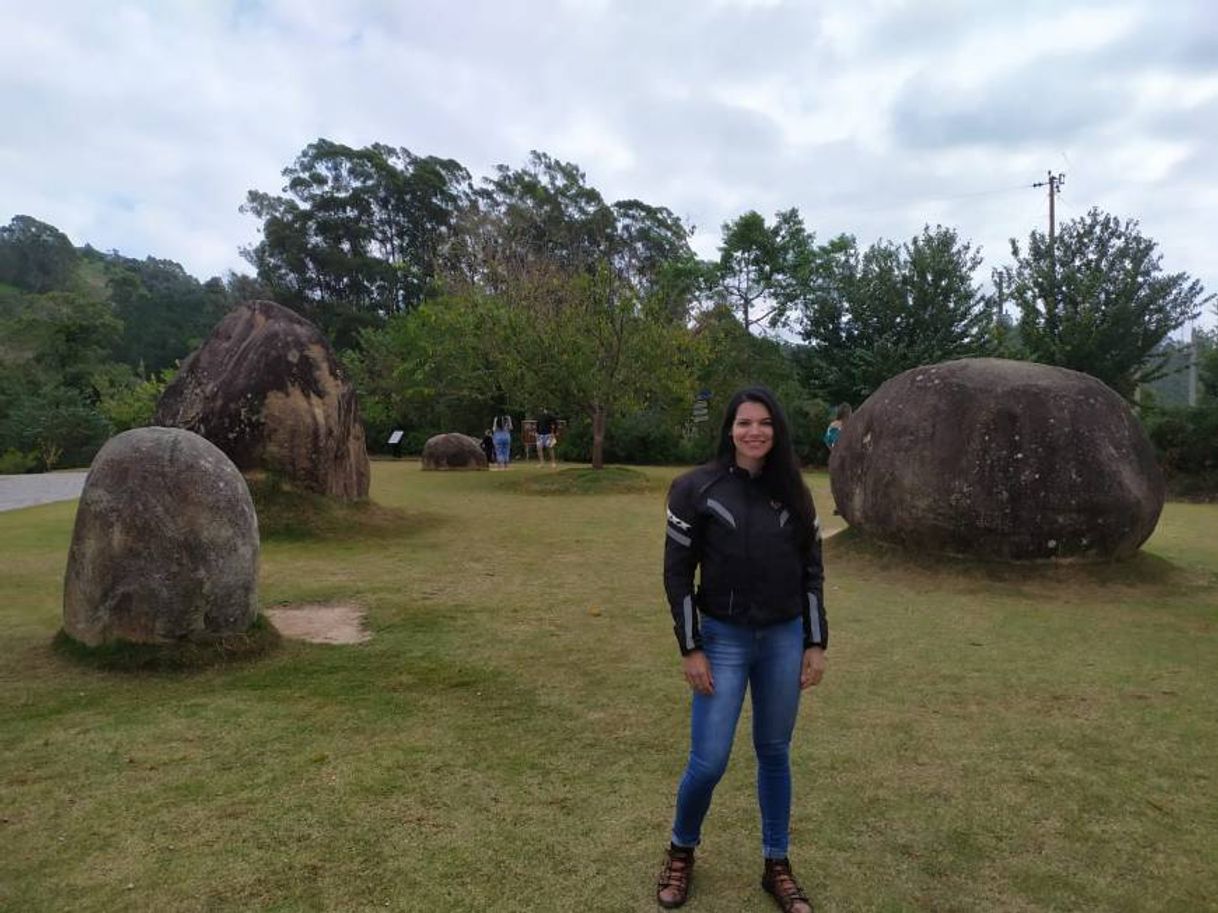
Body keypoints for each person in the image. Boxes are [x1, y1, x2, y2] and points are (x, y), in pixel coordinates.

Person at [656, 386, 828, 912]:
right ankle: (681, 851)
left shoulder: (796, 493)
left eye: (765, 423)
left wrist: (814, 642)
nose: (755, 432)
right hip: (723, 639)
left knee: (774, 752)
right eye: (744, 423)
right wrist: (692, 648)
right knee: (708, 762)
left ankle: (776, 862)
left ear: (777, 430)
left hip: (783, 636)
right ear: (729, 429)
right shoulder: (695, 489)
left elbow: (813, 574)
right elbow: (677, 575)